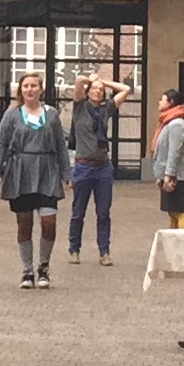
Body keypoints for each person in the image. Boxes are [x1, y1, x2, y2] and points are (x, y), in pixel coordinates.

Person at [0, 70, 66, 289]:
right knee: (25, 223)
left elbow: (61, 145)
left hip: (47, 171)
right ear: (20, 90)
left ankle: (44, 266)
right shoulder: (12, 115)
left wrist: (67, 173)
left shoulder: (52, 115)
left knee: (49, 222)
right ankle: (27, 270)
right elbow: (1, 144)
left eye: (34, 86)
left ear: (41, 89)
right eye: (25, 86)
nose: (30, 89)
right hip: (20, 172)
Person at [64, 74, 126, 268]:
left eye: (101, 90)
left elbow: (125, 90)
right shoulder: (80, 106)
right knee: (78, 212)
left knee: (103, 212)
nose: (98, 91)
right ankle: (74, 249)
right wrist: (89, 79)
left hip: (103, 168)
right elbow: (78, 81)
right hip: (83, 166)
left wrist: (103, 81)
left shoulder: (107, 109)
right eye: (94, 88)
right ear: (88, 91)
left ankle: (104, 252)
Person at [147, 90, 184, 227]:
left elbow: (174, 152)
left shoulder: (176, 124)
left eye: (162, 99)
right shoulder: (167, 122)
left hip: (177, 176)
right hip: (170, 174)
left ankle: (183, 239)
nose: (159, 102)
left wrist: (169, 174)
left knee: (178, 210)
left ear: (170, 103)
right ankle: (173, 237)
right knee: (172, 211)